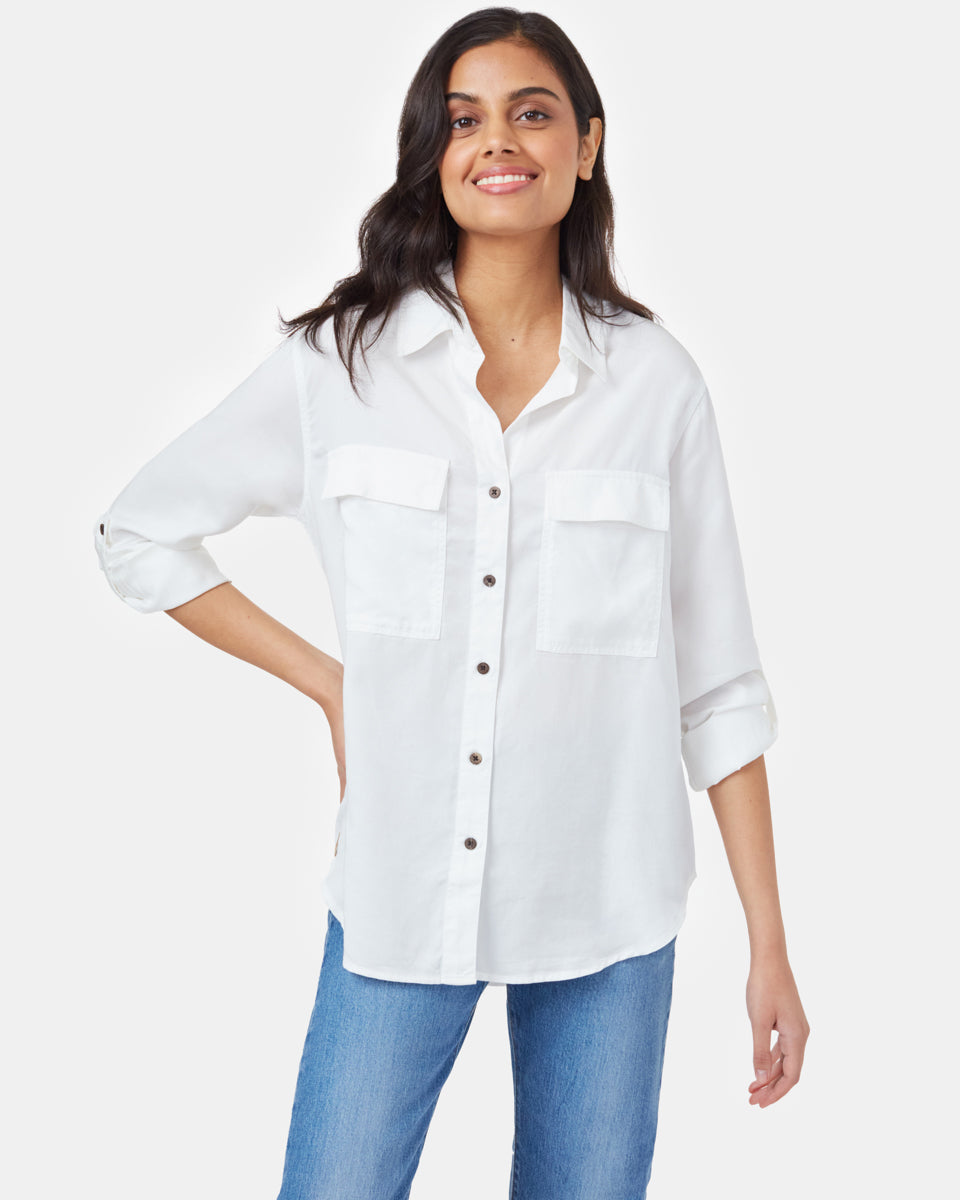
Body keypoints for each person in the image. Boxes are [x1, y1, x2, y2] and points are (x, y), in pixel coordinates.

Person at [92, 7, 809, 1198]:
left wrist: (769, 948)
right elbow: (140, 532)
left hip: (608, 906)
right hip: (402, 885)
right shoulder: (343, 367)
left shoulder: (658, 387)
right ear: (434, 151)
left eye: (532, 113)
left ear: (586, 144)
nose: (498, 143)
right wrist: (329, 684)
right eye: (464, 120)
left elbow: (721, 689)